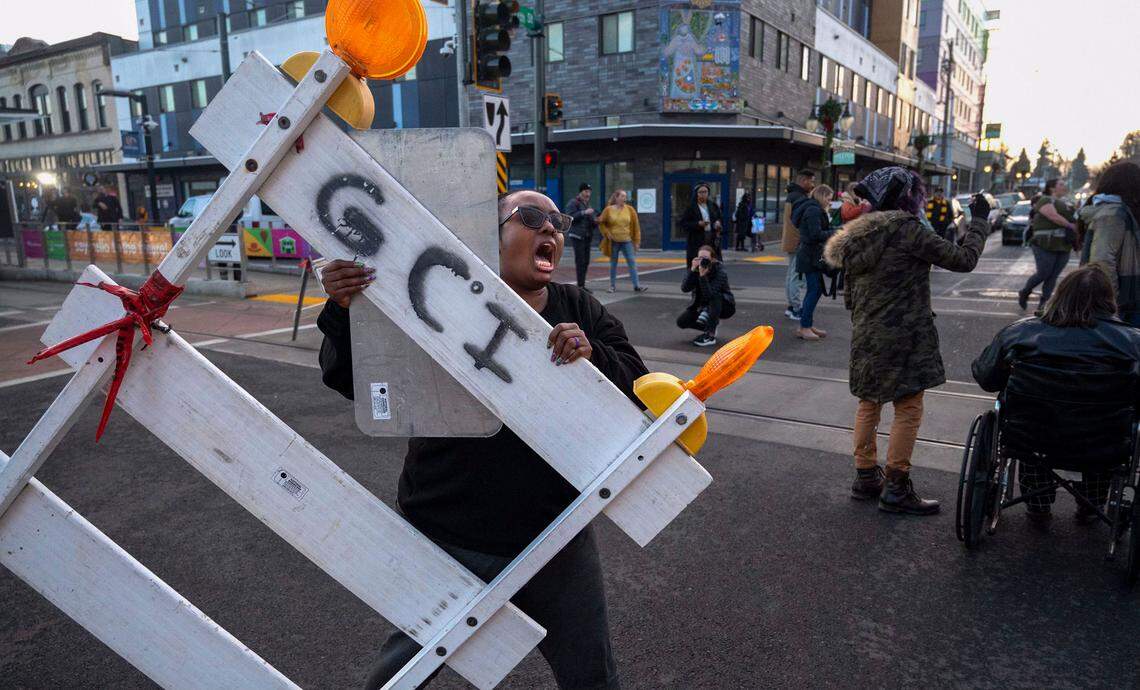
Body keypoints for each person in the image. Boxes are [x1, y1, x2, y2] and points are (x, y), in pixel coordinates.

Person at [318, 189, 641, 690]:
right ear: (489, 238)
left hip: (554, 530)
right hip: (447, 527)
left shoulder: (580, 306)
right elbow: (348, 379)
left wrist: (593, 356)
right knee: (401, 674)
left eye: (557, 221)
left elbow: (641, 391)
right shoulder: (433, 296)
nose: (551, 229)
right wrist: (342, 308)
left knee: (592, 675)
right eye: (532, 217)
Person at [823, 166, 990, 514]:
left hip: (867, 332)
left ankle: (866, 475)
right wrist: (979, 222)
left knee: (869, 402)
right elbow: (963, 259)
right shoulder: (908, 230)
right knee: (908, 406)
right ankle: (897, 486)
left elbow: (850, 296)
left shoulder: (858, 235)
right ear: (909, 197)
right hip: (904, 334)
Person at [972, 266, 1140, 524]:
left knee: (1032, 426)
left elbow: (986, 377)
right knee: (1104, 431)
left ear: (1059, 296)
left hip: (1032, 437)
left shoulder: (1021, 332)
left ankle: (1038, 505)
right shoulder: (1132, 341)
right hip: (1103, 441)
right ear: (1109, 301)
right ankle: (1092, 503)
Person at [1079, 160, 1140, 326]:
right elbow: (1102, 261)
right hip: (1124, 302)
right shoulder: (1113, 214)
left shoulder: (1125, 211)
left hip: (1129, 298)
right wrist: (1110, 303)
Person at [1018, 178, 1077, 312]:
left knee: (1053, 276)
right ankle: (1025, 292)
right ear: (1052, 188)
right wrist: (1070, 225)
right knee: (1044, 273)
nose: (1064, 186)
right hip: (1045, 243)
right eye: (1061, 184)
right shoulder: (1045, 200)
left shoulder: (1067, 202)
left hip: (1063, 244)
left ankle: (1043, 305)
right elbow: (1053, 216)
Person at [794, 184, 834, 341]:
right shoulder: (813, 210)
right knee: (814, 290)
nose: (830, 202)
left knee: (815, 290)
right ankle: (804, 327)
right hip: (810, 257)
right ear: (822, 196)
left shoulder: (813, 209)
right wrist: (836, 232)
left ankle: (807, 325)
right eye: (829, 199)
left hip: (810, 256)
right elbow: (815, 234)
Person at [678, 244, 734, 347]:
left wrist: (703, 276)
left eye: (706, 258)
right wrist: (692, 270)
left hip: (724, 306)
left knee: (715, 297)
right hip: (702, 306)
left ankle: (710, 335)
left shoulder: (720, 271)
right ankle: (711, 325)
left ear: (712, 259)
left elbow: (710, 295)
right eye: (700, 258)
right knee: (682, 322)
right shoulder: (696, 269)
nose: (703, 261)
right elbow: (684, 288)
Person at [598, 188, 647, 294]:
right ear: (617, 197)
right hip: (613, 241)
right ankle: (612, 286)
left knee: (632, 262)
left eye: (625, 196)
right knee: (613, 264)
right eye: (622, 196)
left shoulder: (630, 210)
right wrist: (606, 233)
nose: (625, 198)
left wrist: (637, 242)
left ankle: (637, 286)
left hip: (627, 241)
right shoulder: (608, 210)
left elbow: (636, 227)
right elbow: (601, 222)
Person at [781, 170, 815, 321]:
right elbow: (800, 222)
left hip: (791, 240)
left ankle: (791, 306)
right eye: (811, 181)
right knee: (796, 276)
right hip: (797, 241)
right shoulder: (799, 198)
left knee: (791, 274)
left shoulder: (792, 196)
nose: (813, 185)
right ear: (804, 181)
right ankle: (795, 308)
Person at [565, 182, 598, 291]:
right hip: (577, 236)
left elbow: (589, 220)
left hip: (587, 236)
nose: (588, 194)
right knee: (580, 261)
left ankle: (582, 284)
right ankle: (580, 286)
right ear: (581, 192)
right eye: (586, 191)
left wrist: (595, 221)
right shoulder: (573, 203)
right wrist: (584, 212)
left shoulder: (587, 204)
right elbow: (570, 217)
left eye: (589, 192)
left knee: (586, 261)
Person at [680, 182, 723, 264]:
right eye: (701, 192)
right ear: (696, 193)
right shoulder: (691, 207)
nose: (703, 194)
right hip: (696, 239)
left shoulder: (713, 205)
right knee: (698, 264)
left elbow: (719, 218)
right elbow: (684, 223)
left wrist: (718, 223)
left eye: (705, 192)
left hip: (711, 238)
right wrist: (698, 224)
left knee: (712, 263)